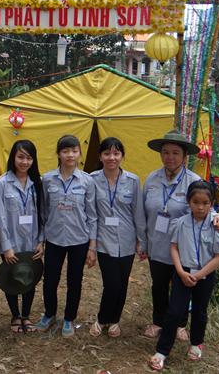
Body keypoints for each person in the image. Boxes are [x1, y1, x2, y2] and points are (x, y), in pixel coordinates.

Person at [142, 130, 219, 341]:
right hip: (157, 243)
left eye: (175, 153)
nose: (170, 157)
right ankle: (158, 321)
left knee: (182, 287)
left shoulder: (193, 180)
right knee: (159, 285)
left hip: (183, 248)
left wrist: (218, 217)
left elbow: (205, 206)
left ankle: (180, 323)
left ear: (184, 156)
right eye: (165, 152)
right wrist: (142, 241)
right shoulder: (152, 179)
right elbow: (143, 211)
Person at [148, 180, 219, 370]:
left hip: (205, 275)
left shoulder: (216, 225)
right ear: (188, 202)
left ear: (211, 203)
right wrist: (180, 271)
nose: (200, 207)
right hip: (183, 274)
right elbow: (174, 247)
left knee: (200, 311)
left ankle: (196, 343)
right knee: (174, 311)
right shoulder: (181, 223)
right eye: (195, 202)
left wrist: (199, 275)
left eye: (205, 203)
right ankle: (162, 351)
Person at [34, 135, 97, 337]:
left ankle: (69, 318)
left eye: (74, 151)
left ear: (80, 153)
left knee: (74, 280)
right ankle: (49, 314)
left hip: (79, 239)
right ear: (58, 154)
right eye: (65, 151)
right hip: (54, 238)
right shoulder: (47, 179)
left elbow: (92, 215)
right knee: (50, 279)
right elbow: (43, 212)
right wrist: (41, 239)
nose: (70, 155)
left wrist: (92, 246)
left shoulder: (87, 181)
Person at [89, 137, 146, 338]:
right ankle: (102, 318)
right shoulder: (92, 179)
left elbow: (138, 213)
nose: (111, 157)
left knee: (122, 284)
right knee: (112, 283)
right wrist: (92, 245)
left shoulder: (133, 180)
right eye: (107, 153)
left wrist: (141, 241)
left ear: (122, 156)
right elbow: (91, 214)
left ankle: (114, 320)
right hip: (104, 240)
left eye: (116, 153)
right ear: (100, 156)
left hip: (127, 240)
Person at [0, 140, 44, 333]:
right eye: (20, 157)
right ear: (13, 158)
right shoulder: (1, 184)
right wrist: (6, 246)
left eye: (29, 158)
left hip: (32, 241)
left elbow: (42, 214)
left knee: (30, 275)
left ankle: (26, 316)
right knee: (12, 276)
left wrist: (41, 241)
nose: (24, 162)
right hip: (11, 241)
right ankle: (15, 315)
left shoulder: (37, 182)